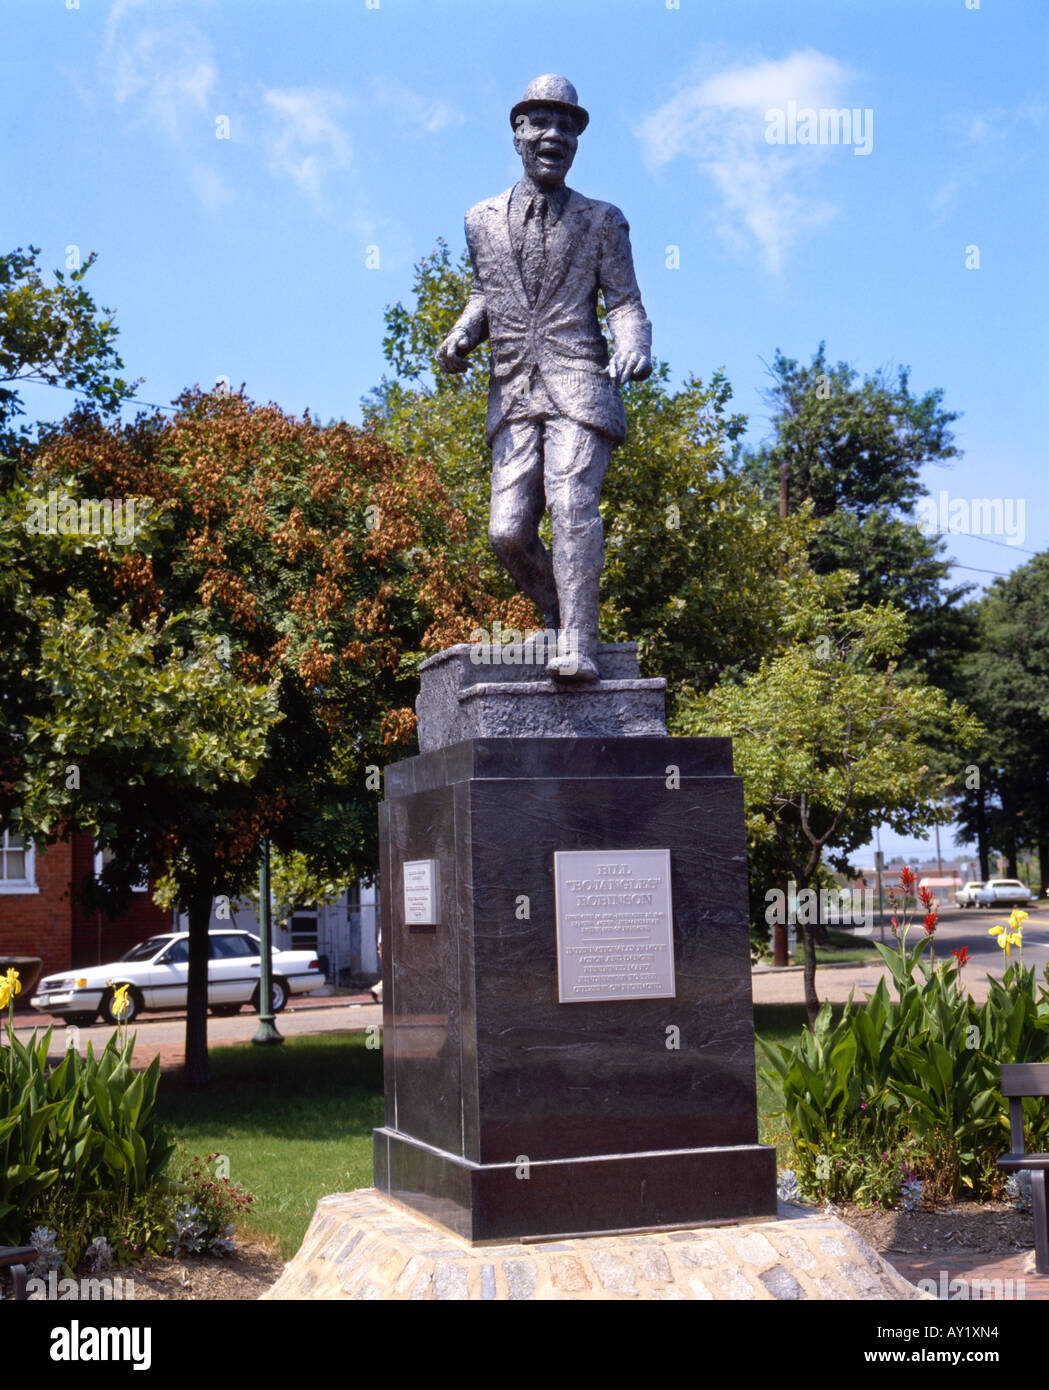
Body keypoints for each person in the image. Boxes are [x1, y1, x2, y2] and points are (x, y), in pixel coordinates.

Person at [437, 75, 652, 682]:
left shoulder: (602, 220)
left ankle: (577, 642)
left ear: (578, 141)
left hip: (580, 384)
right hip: (513, 392)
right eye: (541, 123)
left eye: (568, 126)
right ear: (518, 134)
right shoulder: (479, 220)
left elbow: (626, 303)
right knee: (507, 531)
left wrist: (634, 346)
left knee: (570, 502)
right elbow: (486, 292)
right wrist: (462, 334)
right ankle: (560, 610)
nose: (554, 135)